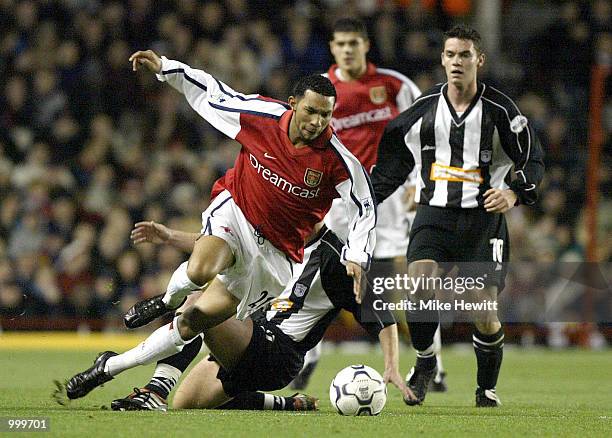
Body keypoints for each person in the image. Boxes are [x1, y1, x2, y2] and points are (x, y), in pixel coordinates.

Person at [65, 48, 378, 404]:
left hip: (274, 258)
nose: (317, 122)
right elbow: (213, 93)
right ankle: (167, 299)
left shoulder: (336, 159)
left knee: (193, 322)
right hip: (237, 212)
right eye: (310, 111)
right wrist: (166, 68)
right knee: (199, 273)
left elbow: (365, 204)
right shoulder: (261, 117)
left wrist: (357, 254)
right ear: (292, 103)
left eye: (326, 114)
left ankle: (108, 368)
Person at [370, 24, 545, 407]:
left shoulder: (501, 111)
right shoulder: (422, 111)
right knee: (417, 283)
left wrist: (515, 193)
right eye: (450, 55)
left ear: (478, 60)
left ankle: (485, 389)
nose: (456, 62)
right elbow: (391, 162)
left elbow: (532, 158)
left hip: (483, 220)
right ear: (442, 60)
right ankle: (426, 362)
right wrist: (363, 199)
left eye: (464, 55)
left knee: (482, 309)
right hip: (434, 214)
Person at [291, 17, 448, 393]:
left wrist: (421, 181)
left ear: (365, 45)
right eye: (340, 43)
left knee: (412, 281)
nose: (347, 49)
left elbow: (429, 131)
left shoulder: (394, 86)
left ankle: (433, 364)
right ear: (332, 47)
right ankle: (305, 357)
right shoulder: (321, 94)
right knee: (322, 275)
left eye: (353, 43)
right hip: (339, 200)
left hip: (393, 199)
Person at [108, 220, 413, 411]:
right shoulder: (273, 232)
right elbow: (219, 244)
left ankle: (154, 392)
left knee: (199, 301)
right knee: (187, 402)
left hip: (277, 352)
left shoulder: (335, 260)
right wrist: (170, 236)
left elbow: (378, 311)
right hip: (246, 336)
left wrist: (392, 365)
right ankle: (286, 404)